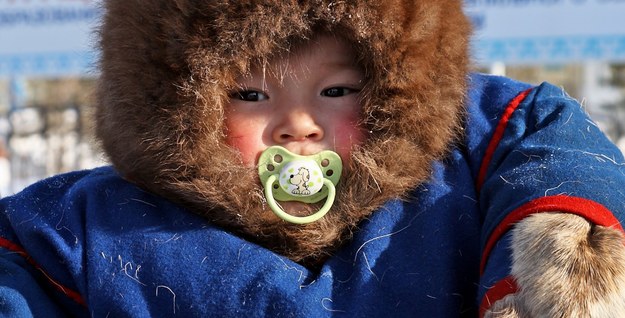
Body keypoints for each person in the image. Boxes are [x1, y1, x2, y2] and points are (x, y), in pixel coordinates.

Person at [1, 1, 624, 317]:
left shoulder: (451, 175)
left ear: (393, 94)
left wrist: (551, 256)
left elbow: (539, 140)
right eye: (249, 95)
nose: (298, 124)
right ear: (177, 110)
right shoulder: (106, 225)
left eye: (336, 92)